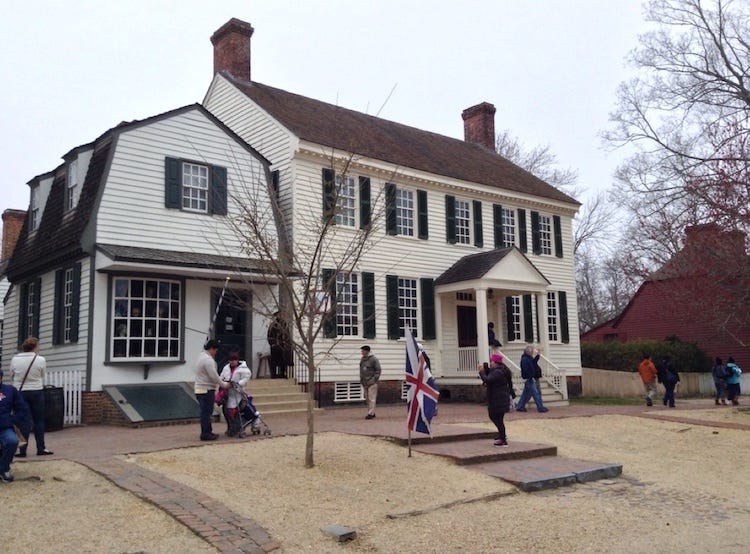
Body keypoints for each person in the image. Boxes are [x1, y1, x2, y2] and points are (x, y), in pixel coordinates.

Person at [10, 337, 53, 457]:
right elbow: (42, 374)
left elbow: (11, 374)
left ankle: (22, 450)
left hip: (20, 392)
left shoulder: (15, 359)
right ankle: (41, 448)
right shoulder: (40, 359)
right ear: (34, 347)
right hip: (36, 391)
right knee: (39, 420)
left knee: (24, 421)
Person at [194, 339, 230, 441]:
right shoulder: (208, 360)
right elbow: (213, 375)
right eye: (215, 350)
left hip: (199, 388)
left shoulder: (201, 356)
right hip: (206, 389)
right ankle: (205, 433)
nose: (216, 352)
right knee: (206, 412)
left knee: (205, 412)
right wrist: (224, 384)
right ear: (212, 349)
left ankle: (207, 431)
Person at [478, 353, 514, 447]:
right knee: (497, 418)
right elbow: (491, 376)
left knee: (495, 417)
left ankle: (503, 439)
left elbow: (488, 379)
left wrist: (482, 372)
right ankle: (502, 435)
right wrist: (486, 369)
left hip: (498, 398)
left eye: (491, 361)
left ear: (495, 362)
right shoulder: (499, 370)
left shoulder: (498, 372)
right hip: (498, 398)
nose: (490, 363)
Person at [0, 369, 29, 482]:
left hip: (4, 427)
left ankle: (3, 469)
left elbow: (22, 408)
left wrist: (12, 420)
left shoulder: (10, 391)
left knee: (12, 441)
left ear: (1, 378)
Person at [219, 352, 252, 436]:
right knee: (226, 412)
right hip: (227, 393)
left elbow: (245, 379)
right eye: (231, 360)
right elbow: (221, 377)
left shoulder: (244, 369)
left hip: (238, 394)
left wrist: (237, 384)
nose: (232, 362)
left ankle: (237, 428)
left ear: (237, 360)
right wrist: (223, 382)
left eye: (234, 360)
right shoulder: (226, 368)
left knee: (236, 412)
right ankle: (230, 427)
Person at [515, 345, 549, 413]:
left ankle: (520, 406)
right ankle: (540, 408)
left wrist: (538, 355)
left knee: (526, 394)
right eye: (532, 352)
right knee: (536, 394)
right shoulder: (525, 359)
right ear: (529, 352)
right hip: (530, 379)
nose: (533, 353)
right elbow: (526, 370)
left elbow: (533, 362)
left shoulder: (528, 358)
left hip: (531, 378)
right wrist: (530, 377)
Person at [359, 345, 381, 420]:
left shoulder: (373, 359)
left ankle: (371, 413)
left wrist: (374, 379)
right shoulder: (362, 359)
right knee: (367, 399)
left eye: (363, 351)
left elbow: (378, 370)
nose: (361, 352)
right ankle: (371, 411)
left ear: (367, 351)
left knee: (372, 398)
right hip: (365, 382)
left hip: (372, 382)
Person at [267, 312, 290, 379]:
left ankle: (282, 374)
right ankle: (273, 374)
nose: (281, 316)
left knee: (283, 360)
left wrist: (286, 343)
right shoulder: (273, 325)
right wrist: (273, 344)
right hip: (275, 346)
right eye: (279, 315)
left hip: (282, 346)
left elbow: (287, 335)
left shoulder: (284, 325)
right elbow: (269, 336)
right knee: (274, 361)